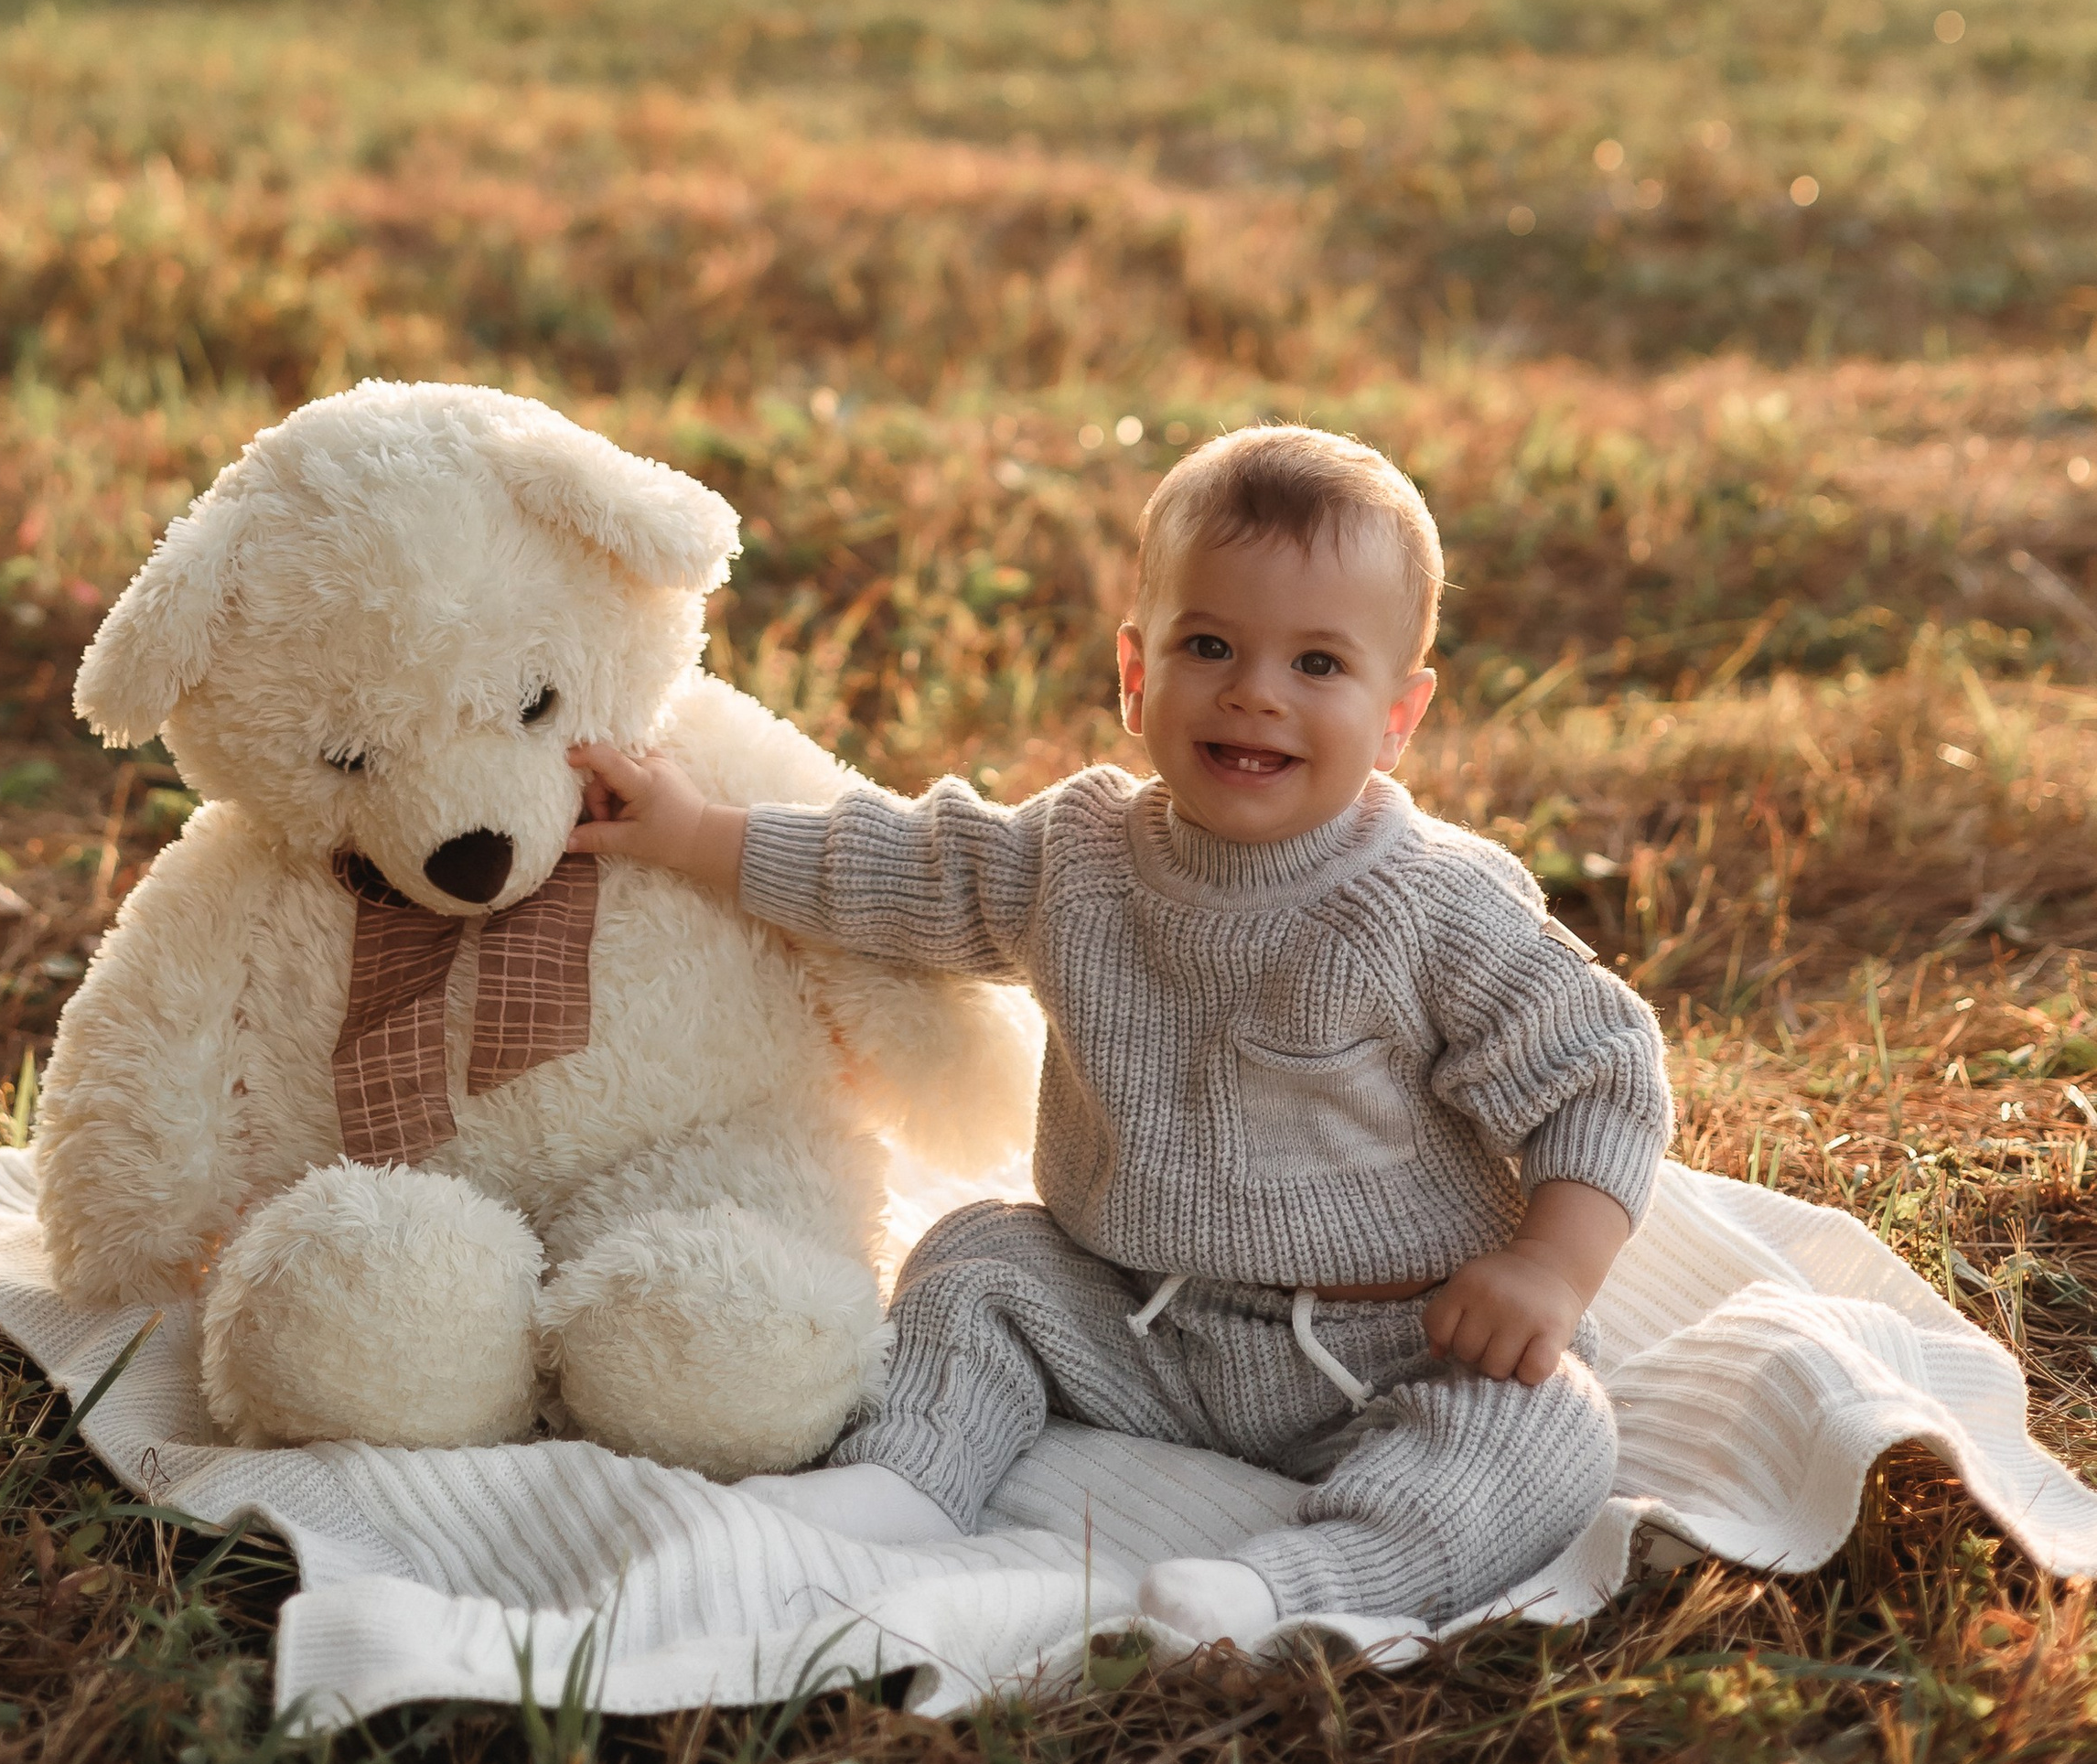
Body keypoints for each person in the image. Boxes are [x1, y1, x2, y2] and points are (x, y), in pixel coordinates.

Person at [565, 422, 1671, 1645]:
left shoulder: (1431, 904)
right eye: (1211, 646)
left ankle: (1298, 1587)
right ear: (1136, 673)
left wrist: (1547, 1269)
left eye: (1317, 663)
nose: (1255, 691)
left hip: (1399, 1341)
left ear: (1399, 714)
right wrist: (697, 833)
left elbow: (1602, 1075)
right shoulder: (1079, 856)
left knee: (1546, 1428)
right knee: (982, 1256)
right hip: (1144, 1317)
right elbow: (905, 869)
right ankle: (907, 1478)